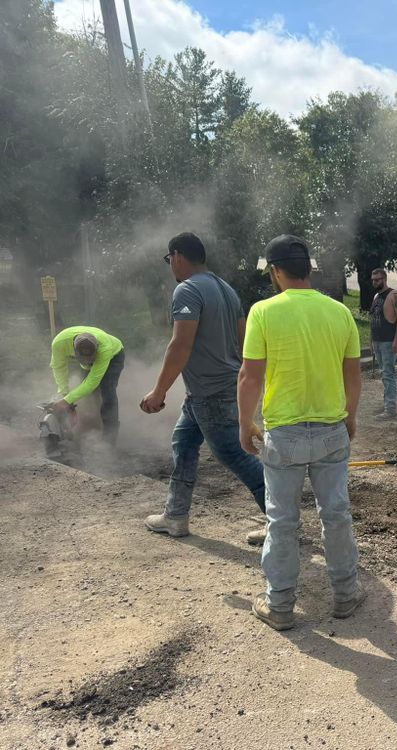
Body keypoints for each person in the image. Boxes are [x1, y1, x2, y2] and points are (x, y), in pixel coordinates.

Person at [238, 234, 364, 630]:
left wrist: (245, 423)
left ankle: (280, 605)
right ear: (309, 269)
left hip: (285, 436)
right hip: (331, 431)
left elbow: (250, 376)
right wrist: (351, 416)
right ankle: (345, 594)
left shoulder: (262, 312)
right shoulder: (339, 313)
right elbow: (353, 375)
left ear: (275, 272)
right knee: (336, 514)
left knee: (282, 521)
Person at [141, 232, 267, 543]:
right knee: (183, 443)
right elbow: (244, 341)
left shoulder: (187, 290)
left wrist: (159, 392)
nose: (171, 266)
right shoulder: (226, 289)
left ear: (177, 255)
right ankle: (175, 515)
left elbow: (180, 345)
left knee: (235, 455)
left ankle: (283, 521)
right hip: (209, 390)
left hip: (211, 392)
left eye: (170, 260)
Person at [48, 326, 125, 444]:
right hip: (81, 352)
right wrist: (65, 396)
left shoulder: (104, 348)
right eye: (85, 359)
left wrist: (65, 401)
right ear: (74, 351)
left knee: (107, 391)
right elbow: (59, 368)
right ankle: (94, 425)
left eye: (91, 359)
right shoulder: (59, 344)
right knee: (91, 396)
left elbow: (92, 383)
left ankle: (110, 438)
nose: (89, 361)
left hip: (114, 355)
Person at [369, 268, 397, 420]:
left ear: (384, 279)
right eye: (373, 280)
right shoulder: (376, 296)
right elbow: (373, 319)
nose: (374, 282)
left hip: (388, 342)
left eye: (377, 279)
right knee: (384, 374)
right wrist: (371, 340)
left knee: (388, 374)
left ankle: (390, 409)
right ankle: (387, 405)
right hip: (377, 341)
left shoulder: (394, 295)